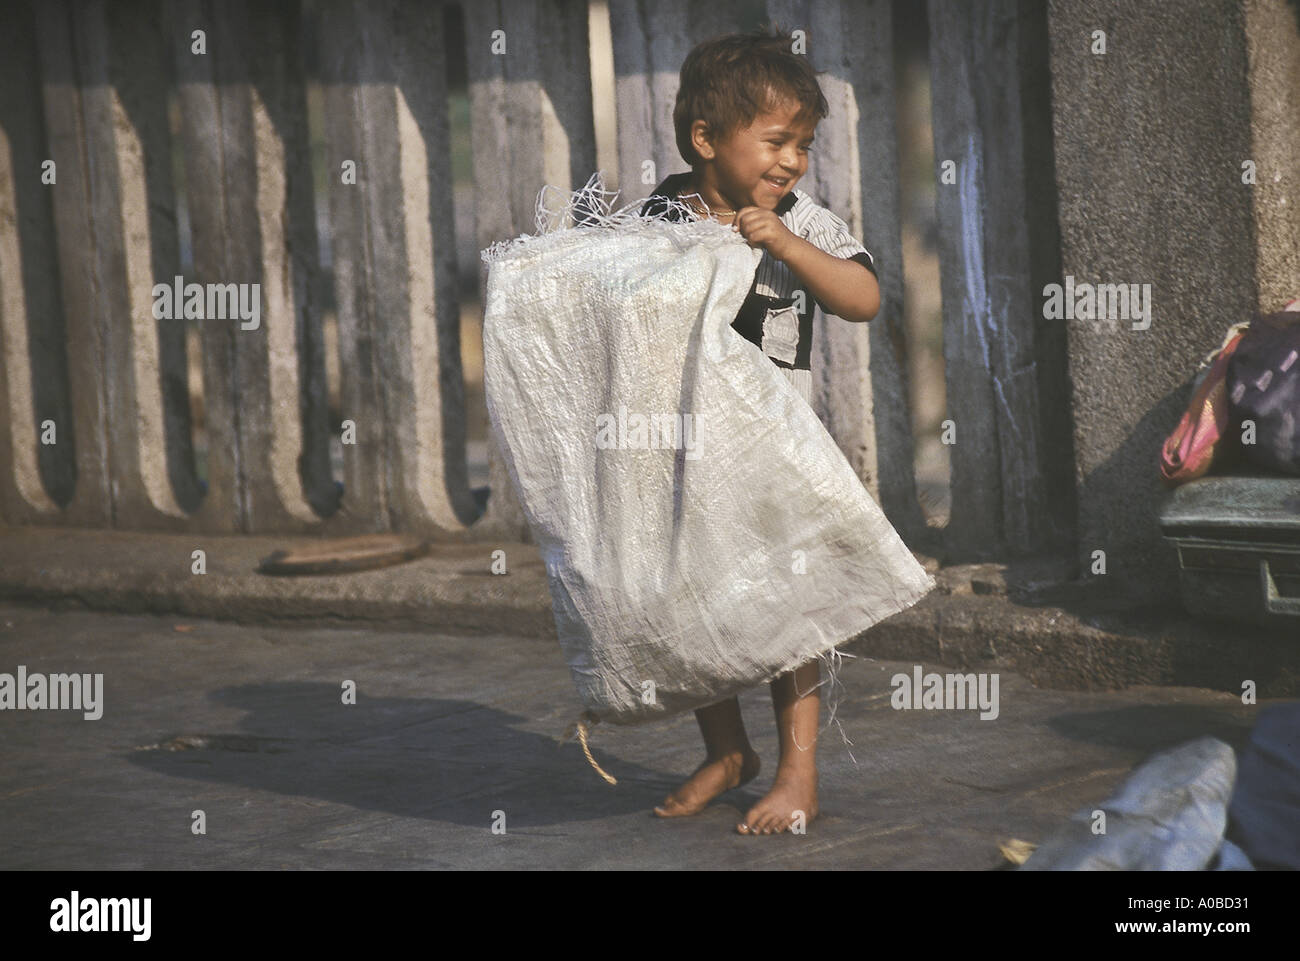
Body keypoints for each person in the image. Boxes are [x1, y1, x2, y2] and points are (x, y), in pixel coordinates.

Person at [638, 27, 882, 836]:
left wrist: (784, 241)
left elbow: (861, 297)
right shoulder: (658, 214)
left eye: (803, 145)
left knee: (787, 612)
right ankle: (726, 750)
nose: (792, 163)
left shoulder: (801, 218)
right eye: (776, 141)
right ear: (706, 139)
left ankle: (798, 768)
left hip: (772, 453)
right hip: (681, 449)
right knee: (697, 600)